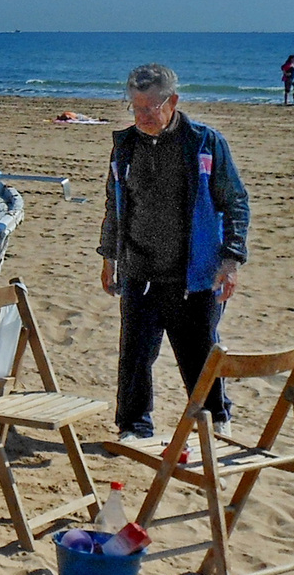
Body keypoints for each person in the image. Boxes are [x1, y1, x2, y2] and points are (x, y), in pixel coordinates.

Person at [99, 64, 250, 440]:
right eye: (136, 108)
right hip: (138, 269)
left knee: (199, 352)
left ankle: (216, 418)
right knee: (134, 356)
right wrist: (109, 259)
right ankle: (134, 426)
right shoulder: (125, 145)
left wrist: (230, 261)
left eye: (151, 107)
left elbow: (236, 202)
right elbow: (114, 205)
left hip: (194, 273)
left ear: (173, 102)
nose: (143, 116)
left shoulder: (204, 142)